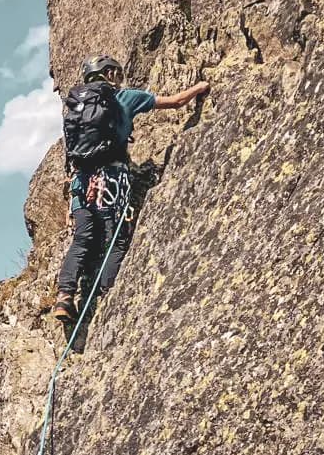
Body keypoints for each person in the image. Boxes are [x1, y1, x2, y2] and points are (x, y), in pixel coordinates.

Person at [51, 56, 209, 325]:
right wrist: (201, 87)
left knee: (82, 239)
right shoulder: (124, 97)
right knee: (117, 237)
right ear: (110, 73)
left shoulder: (75, 107)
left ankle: (65, 296)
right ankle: (107, 294)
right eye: (117, 73)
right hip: (111, 181)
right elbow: (175, 102)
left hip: (81, 184)